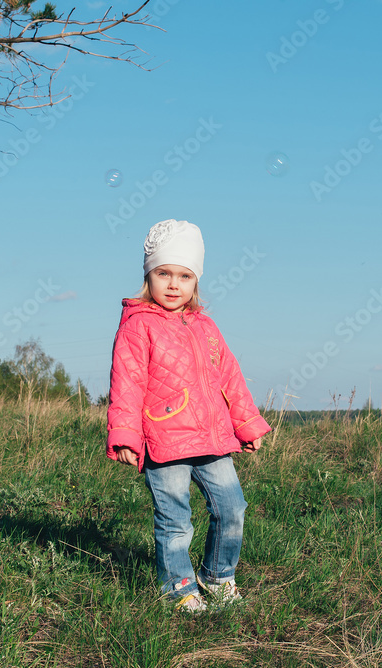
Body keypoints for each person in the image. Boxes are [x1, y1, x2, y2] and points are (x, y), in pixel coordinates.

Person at [106, 219, 272, 613]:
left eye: (184, 275)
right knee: (175, 521)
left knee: (232, 507)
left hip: (212, 438)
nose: (173, 284)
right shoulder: (138, 326)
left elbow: (229, 375)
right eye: (164, 273)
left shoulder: (206, 326)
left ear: (196, 280)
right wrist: (126, 436)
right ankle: (178, 588)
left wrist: (246, 424)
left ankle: (218, 576)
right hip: (164, 441)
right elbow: (126, 383)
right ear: (149, 275)